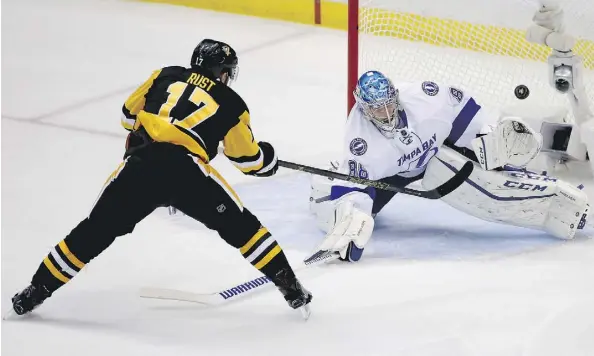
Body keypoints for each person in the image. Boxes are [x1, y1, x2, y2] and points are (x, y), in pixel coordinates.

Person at [10, 39, 312, 315]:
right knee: (243, 228)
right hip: (187, 173)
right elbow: (248, 161)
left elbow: (128, 117)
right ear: (222, 72)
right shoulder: (232, 103)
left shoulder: (165, 75)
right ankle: (290, 287)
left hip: (141, 166)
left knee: (93, 232)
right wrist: (267, 158)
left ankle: (35, 291)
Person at [308, 4, 593, 262]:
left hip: (434, 153)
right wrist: (352, 215)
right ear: (364, 109)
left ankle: (545, 195)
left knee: (486, 178)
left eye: (388, 105)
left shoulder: (424, 99)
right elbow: (354, 186)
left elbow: (462, 111)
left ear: (396, 96)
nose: (386, 113)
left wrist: (485, 139)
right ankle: (323, 184)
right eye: (377, 110)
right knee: (350, 212)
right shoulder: (360, 142)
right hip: (389, 176)